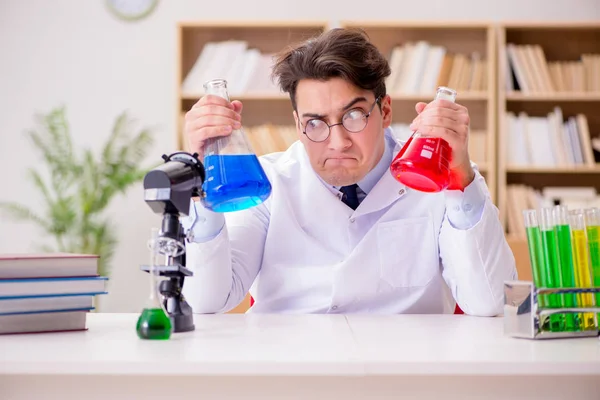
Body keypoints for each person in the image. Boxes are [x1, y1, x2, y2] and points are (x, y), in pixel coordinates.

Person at [180, 28, 517, 316]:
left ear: (385, 111)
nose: (338, 142)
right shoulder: (268, 183)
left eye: (354, 116)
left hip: (404, 375)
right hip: (290, 372)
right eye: (315, 123)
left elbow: (489, 302)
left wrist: (459, 177)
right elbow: (207, 302)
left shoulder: (439, 178)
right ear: (298, 125)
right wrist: (201, 178)